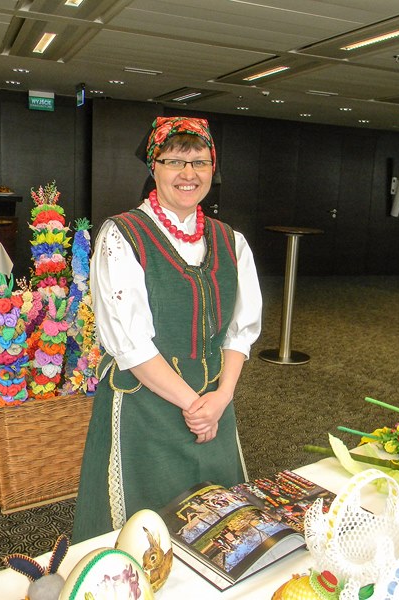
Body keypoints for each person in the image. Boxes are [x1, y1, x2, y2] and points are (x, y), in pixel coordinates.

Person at [72, 116, 262, 541]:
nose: (188, 174)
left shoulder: (232, 241)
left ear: (213, 168)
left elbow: (240, 331)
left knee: (221, 529)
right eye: (175, 161)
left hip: (214, 406)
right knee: (143, 536)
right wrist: (196, 408)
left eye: (200, 162)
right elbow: (131, 345)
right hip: (146, 410)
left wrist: (221, 398)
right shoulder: (122, 236)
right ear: (153, 167)